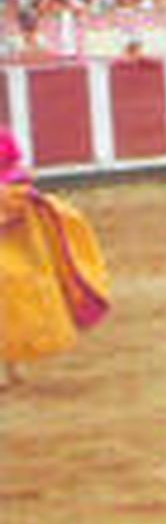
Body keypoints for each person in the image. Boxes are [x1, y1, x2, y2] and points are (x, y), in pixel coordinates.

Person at [0, 127, 111, 386]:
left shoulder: (10, 168)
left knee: (10, 305)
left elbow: (18, 179)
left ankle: (10, 367)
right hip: (16, 242)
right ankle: (10, 368)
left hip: (13, 241)